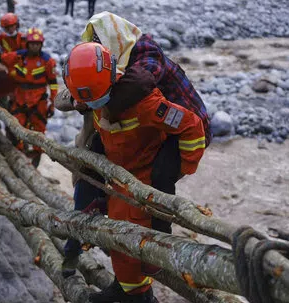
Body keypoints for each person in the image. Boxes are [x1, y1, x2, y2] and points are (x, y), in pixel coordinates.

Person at [63, 42, 206, 303]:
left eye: (91, 101)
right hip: (118, 179)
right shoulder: (99, 96)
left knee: (134, 240)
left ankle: (145, 302)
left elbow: (191, 126)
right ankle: (125, 285)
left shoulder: (146, 103)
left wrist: (177, 170)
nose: (88, 108)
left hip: (141, 181)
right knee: (117, 238)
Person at [57, 12, 210, 275]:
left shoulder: (144, 53)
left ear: (112, 36)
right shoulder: (101, 60)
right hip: (138, 130)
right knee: (90, 162)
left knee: (160, 179)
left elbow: (139, 84)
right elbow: (64, 95)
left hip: (179, 126)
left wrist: (100, 95)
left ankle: (159, 244)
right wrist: (80, 96)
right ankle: (84, 224)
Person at [0, 28, 58, 167]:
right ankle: (19, 161)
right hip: (20, 99)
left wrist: (53, 104)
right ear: (27, 44)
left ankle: (35, 164)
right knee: (16, 129)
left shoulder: (47, 61)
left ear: (41, 45)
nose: (34, 46)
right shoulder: (18, 56)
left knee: (39, 133)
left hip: (39, 101)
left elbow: (53, 83)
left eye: (37, 43)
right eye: (32, 43)